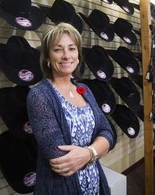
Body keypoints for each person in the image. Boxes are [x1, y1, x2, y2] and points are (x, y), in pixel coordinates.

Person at [27, 22, 115, 195]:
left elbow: (108, 132)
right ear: (47, 57)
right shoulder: (39, 96)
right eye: (58, 49)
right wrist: (97, 150)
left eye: (72, 48)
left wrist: (89, 153)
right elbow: (60, 161)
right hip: (61, 189)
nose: (66, 55)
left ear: (78, 55)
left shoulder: (84, 90)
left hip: (95, 184)